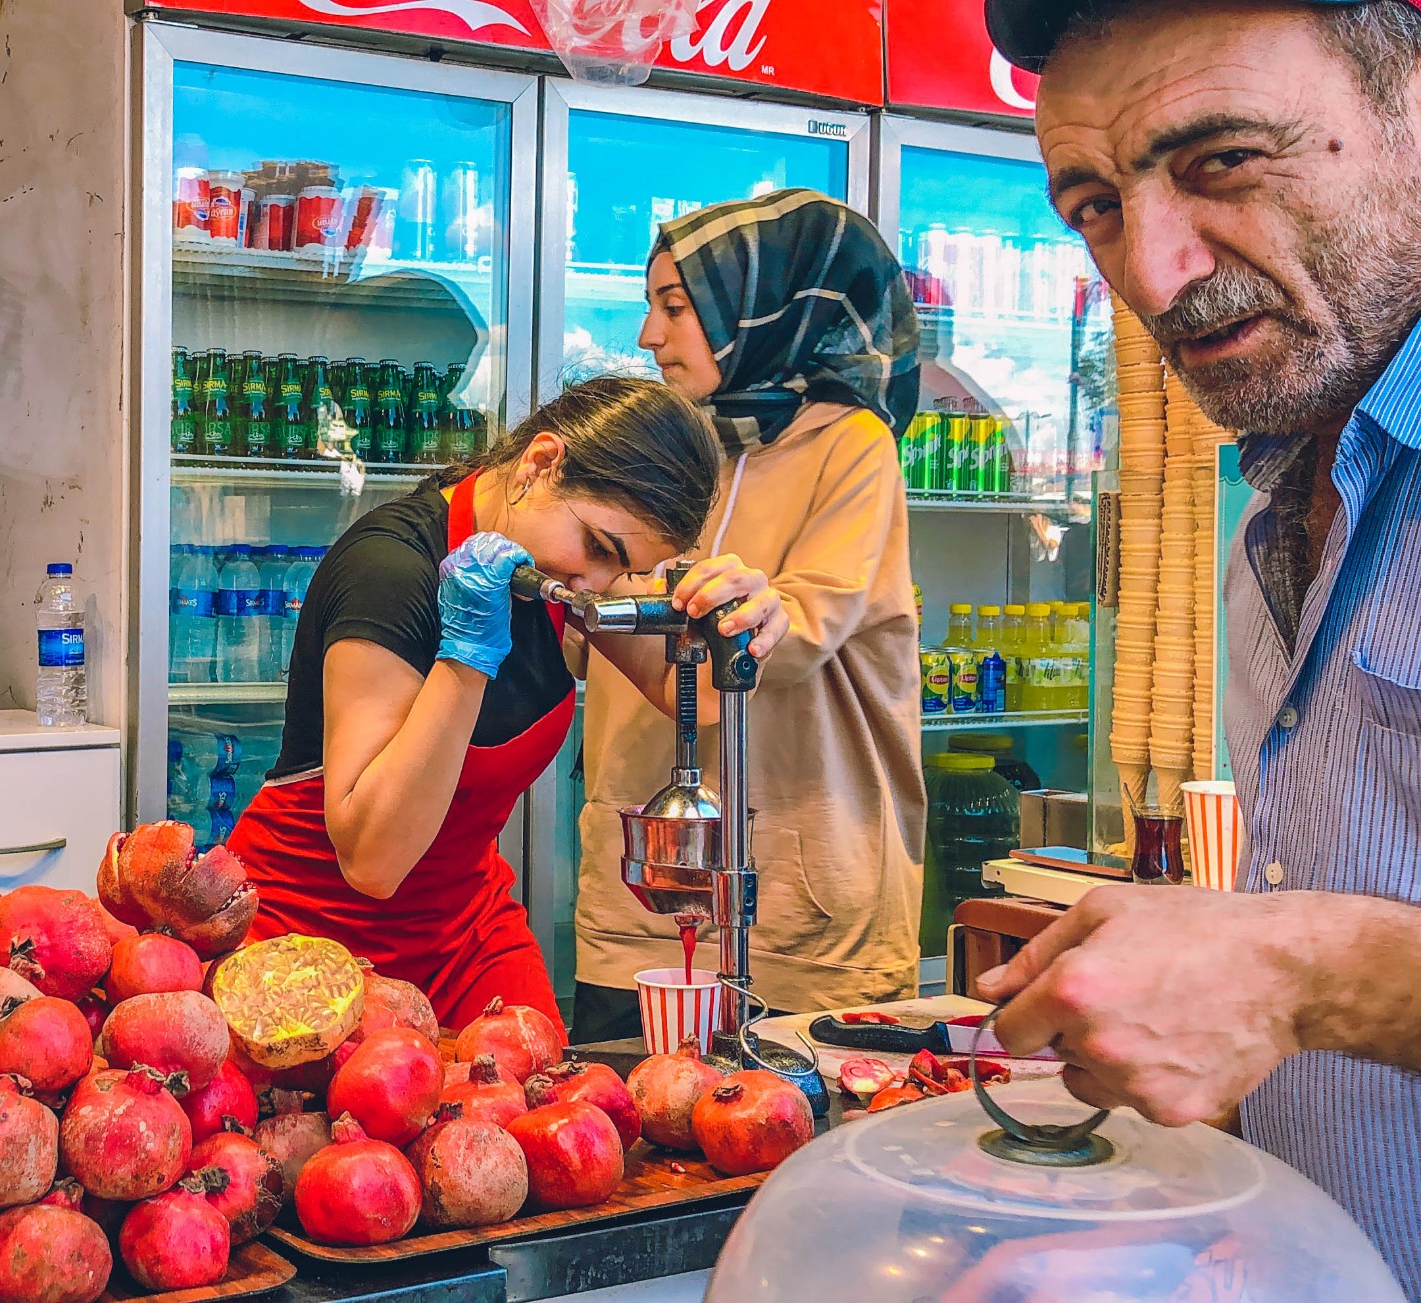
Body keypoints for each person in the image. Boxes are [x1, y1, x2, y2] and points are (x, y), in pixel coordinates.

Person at [978, 0, 1421, 1285]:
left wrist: (1303, 970)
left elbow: (1319, 965)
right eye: (1092, 206)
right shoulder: (1278, 506)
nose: (1153, 274)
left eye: (1220, 160)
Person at [227, 377, 789, 1037]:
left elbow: (685, 692)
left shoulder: (556, 569)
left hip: (465, 929)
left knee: (555, 1110)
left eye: (625, 571)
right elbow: (373, 861)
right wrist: (464, 657)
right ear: (540, 463)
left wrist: (736, 625)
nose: (598, 586)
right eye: (602, 548)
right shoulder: (388, 572)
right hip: (310, 936)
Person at [570, 191, 926, 1040]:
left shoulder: (852, 445)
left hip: (800, 904)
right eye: (650, 306)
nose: (648, 336)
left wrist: (751, 608)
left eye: (678, 306)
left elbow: (801, 627)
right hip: (641, 898)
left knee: (791, 1152)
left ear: (761, 308)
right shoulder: (666, 441)